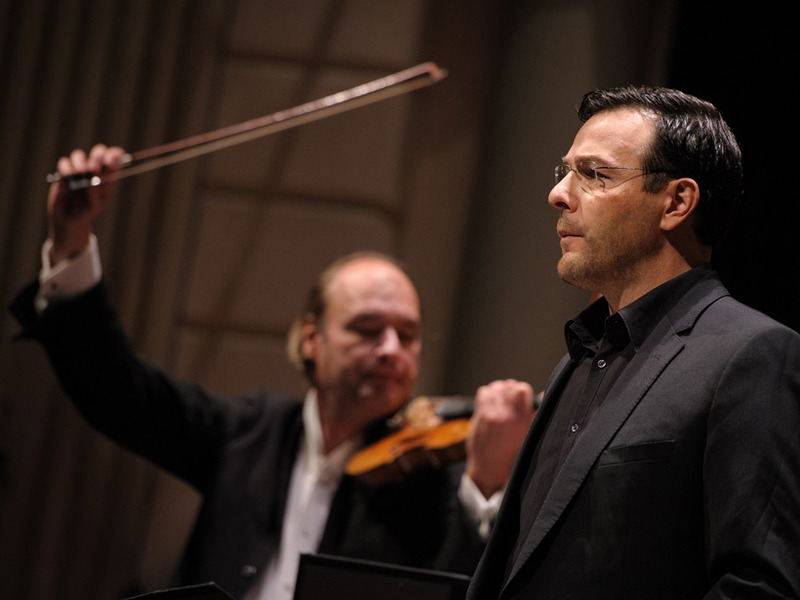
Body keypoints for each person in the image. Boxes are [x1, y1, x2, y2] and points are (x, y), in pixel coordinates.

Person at [10, 145, 536, 600]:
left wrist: (485, 484)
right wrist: (71, 240)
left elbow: (460, 592)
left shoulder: (429, 478)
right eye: (367, 329)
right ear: (312, 338)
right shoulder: (246, 434)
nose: (391, 350)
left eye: (408, 334)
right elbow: (116, 390)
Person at [466, 85, 800, 599]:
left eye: (595, 174)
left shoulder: (752, 356)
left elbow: (759, 585)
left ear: (677, 202)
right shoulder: (581, 358)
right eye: (565, 171)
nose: (559, 194)